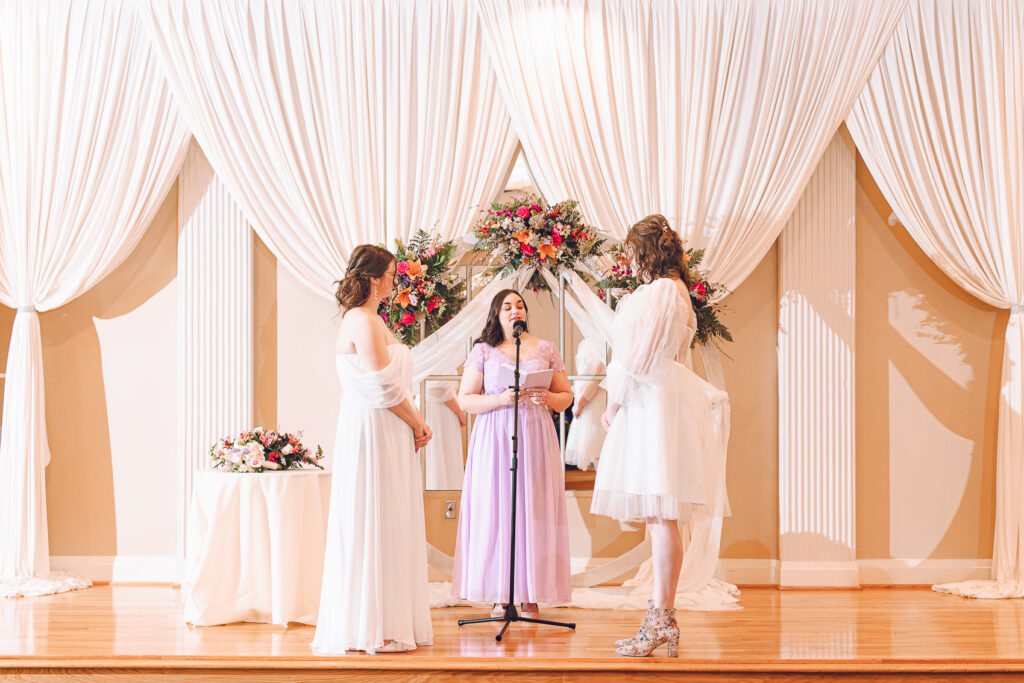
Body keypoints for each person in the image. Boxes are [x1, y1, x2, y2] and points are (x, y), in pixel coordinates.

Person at [592, 214, 729, 657]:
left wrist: (613, 405)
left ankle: (661, 620)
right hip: (658, 402)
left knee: (661, 516)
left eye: (632, 252)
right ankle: (661, 620)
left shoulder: (663, 292)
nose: (629, 260)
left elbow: (639, 355)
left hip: (651, 405)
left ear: (645, 252)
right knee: (658, 517)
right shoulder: (673, 290)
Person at [312, 244, 434, 655]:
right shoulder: (362, 320)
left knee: (389, 515)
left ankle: (385, 619)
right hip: (374, 427)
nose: (395, 282)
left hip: (386, 426)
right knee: (375, 514)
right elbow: (382, 385)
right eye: (391, 275)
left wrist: (414, 421)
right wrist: (417, 421)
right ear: (373, 278)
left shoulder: (371, 319)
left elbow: (390, 385)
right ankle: (371, 624)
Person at [453, 289, 573, 616]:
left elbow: (565, 396)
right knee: (498, 509)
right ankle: (500, 593)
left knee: (534, 509)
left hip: (535, 433)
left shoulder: (546, 348)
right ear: (497, 314)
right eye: (506, 306)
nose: (514, 310)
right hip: (494, 436)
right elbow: (465, 399)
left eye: (519, 305)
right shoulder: (483, 350)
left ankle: (531, 592)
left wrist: (548, 398)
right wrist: (500, 399)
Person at [563, 338, 607, 471]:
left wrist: (581, 402)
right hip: (582, 396)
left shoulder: (604, 343)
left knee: (599, 447)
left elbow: (598, 378)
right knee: (593, 449)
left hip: (595, 398)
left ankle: (602, 483)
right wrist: (578, 401)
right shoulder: (584, 343)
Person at [422, 380, 467, 490]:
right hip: (437, 409)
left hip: (438, 408)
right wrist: (460, 412)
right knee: (438, 459)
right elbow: (439, 388)